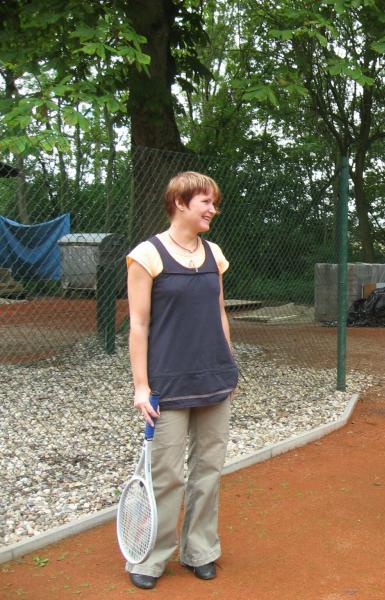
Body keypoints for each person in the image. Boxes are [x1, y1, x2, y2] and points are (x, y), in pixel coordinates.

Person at [125, 171, 238, 590]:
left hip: (214, 379)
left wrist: (229, 364)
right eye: (206, 202)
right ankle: (151, 557)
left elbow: (219, 312)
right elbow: (138, 325)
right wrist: (141, 386)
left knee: (208, 469)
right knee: (167, 475)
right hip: (167, 385)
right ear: (180, 202)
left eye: (213, 203)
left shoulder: (214, 255)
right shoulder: (147, 255)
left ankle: (200, 550)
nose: (213, 210)